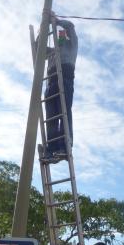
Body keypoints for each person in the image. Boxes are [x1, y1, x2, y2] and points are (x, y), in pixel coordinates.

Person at [42, 17, 78, 162]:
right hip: (51, 80)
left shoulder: (72, 46)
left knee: (63, 111)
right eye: (59, 37)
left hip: (65, 77)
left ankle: (64, 147)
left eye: (62, 36)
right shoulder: (52, 52)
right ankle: (52, 149)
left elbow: (70, 26)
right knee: (51, 116)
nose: (60, 37)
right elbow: (39, 49)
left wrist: (55, 21)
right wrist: (42, 30)